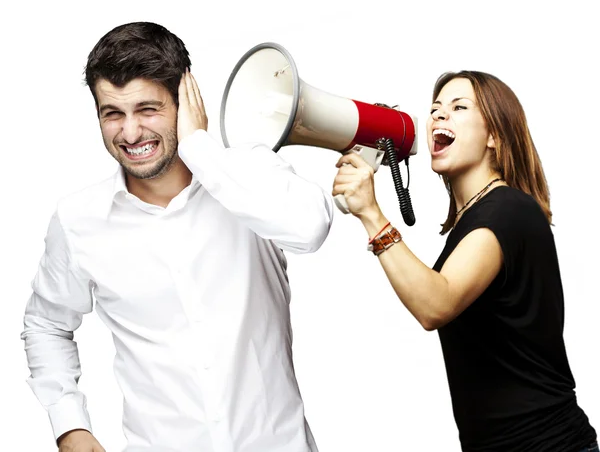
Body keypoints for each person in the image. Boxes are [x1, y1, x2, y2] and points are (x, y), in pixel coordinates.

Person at [22, 22, 333, 452]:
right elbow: (46, 323)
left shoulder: (248, 175)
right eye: (113, 113)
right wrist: (69, 425)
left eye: (148, 109)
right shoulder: (79, 220)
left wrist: (200, 147)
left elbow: (310, 228)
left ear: (186, 99)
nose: (130, 134)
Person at [332, 70, 597, 451]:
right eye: (435, 109)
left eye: (459, 107)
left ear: (495, 136)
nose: (439, 116)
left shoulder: (508, 210)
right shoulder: (474, 221)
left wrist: (373, 215)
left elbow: (435, 304)